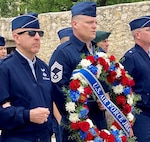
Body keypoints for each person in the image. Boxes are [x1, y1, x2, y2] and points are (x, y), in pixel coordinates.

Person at [49, 2, 109, 141]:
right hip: (76, 129)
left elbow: (106, 80)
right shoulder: (63, 53)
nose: (94, 26)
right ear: (75, 24)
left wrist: (105, 95)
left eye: (95, 22)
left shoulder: (98, 51)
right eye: (89, 22)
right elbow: (58, 92)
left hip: (99, 122)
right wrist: (80, 116)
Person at [0, 12, 54, 142]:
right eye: (31, 33)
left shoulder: (44, 67)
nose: (37, 37)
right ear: (16, 38)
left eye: (39, 33)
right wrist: (27, 115)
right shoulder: (5, 68)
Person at [120, 15, 150, 142]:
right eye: (149, 30)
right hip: (140, 116)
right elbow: (121, 88)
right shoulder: (131, 57)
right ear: (138, 35)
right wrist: (127, 120)